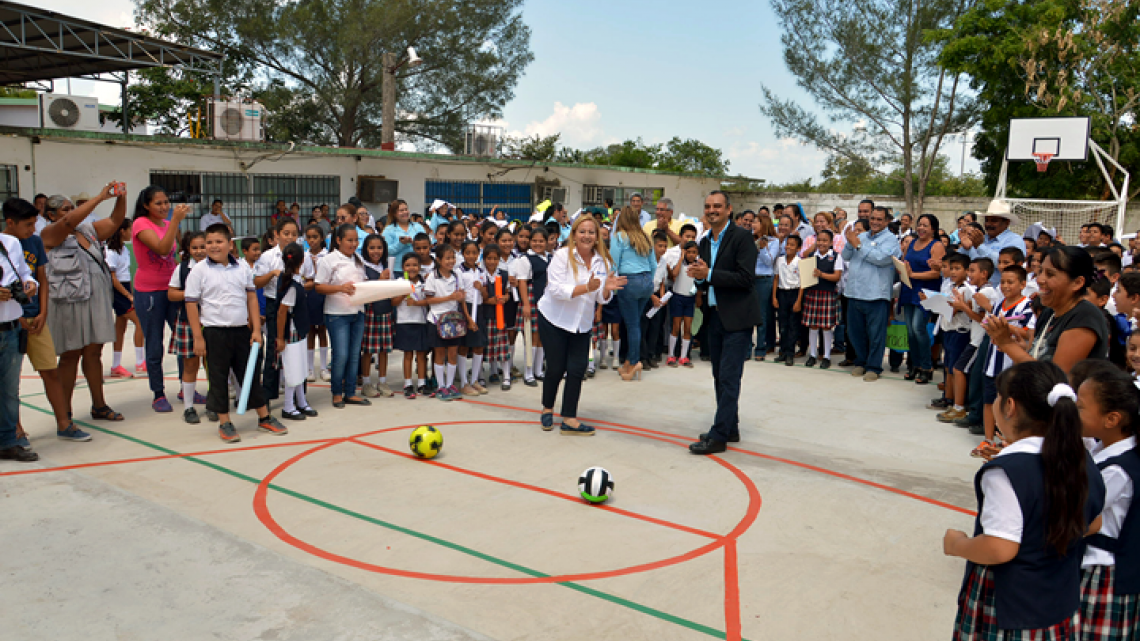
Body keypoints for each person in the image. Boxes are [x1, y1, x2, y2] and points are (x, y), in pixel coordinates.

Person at [944, 361, 1105, 641]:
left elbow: (999, 548)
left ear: (1010, 407)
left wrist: (958, 545)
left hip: (1011, 608)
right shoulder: (1080, 457)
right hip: (1059, 601)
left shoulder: (1007, 471)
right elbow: (1094, 523)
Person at [185, 224, 287, 441]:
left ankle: (264, 417)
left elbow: (251, 298)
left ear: (230, 244)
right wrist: (198, 336)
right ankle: (225, 422)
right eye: (209, 243)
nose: (213, 246)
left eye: (218, 241)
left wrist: (257, 330)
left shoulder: (242, 268)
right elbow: (191, 304)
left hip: (241, 331)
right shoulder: (199, 271)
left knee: (249, 375)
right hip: (214, 332)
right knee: (219, 378)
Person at [42, 185, 128, 426]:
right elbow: (68, 223)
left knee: (94, 352)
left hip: (96, 296)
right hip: (68, 301)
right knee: (70, 355)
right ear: (51, 215)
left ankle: (99, 405)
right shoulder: (49, 233)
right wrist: (100, 197)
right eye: (65, 209)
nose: (71, 213)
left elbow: (115, 221)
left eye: (71, 208)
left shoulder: (88, 230)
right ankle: (65, 412)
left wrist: (121, 197)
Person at [1070, 360, 1140, 641]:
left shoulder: (1116, 469)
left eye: (1080, 408)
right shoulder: (1104, 450)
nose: (1073, 413)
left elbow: (1079, 517)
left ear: (1112, 419)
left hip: (1104, 574)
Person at [688, 191, 761, 455]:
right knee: (720, 375)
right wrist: (698, 276)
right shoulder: (705, 240)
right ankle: (730, 427)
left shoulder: (742, 238)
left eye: (717, 206)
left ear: (729, 209)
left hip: (737, 318)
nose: (712, 210)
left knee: (729, 377)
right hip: (715, 316)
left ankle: (718, 436)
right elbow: (708, 279)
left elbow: (745, 278)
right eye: (708, 206)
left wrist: (709, 273)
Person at [536, 215, 624, 436]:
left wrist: (607, 289)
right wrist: (587, 287)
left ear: (597, 237)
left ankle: (569, 418)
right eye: (582, 231)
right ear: (574, 234)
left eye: (591, 232)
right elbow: (556, 290)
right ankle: (547, 408)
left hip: (581, 324)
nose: (587, 236)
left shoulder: (602, 262)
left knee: (577, 369)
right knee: (556, 368)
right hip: (554, 319)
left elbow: (602, 299)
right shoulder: (561, 256)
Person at [4, 198, 72, 450]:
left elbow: (40, 278)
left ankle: (64, 423)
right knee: (10, 382)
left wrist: (43, 312)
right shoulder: (4, 246)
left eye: (34, 223)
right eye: (28, 224)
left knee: (50, 371)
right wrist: (16, 316)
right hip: (12, 322)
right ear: (10, 223)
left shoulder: (34, 242)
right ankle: (17, 430)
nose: (33, 229)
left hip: (37, 319)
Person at [986, 246, 1109, 374]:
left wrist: (1007, 344)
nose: (1039, 280)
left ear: (1077, 283)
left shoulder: (1085, 317)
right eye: (1040, 272)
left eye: (1050, 274)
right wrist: (1021, 349)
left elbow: (1056, 377)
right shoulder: (1049, 312)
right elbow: (1037, 363)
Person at [132, 186, 189, 412]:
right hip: (149, 292)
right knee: (155, 343)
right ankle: (158, 393)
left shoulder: (168, 224)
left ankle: (188, 387)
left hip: (171, 289)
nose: (165, 207)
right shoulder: (140, 224)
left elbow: (175, 256)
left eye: (167, 202)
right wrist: (175, 221)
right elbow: (163, 250)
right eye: (159, 203)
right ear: (146, 205)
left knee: (184, 340)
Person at [971, 265, 1035, 460]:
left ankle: (1008, 440)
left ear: (1023, 284)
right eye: (1003, 282)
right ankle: (988, 439)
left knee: (1009, 402)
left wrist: (1008, 328)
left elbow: (1028, 333)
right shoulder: (999, 304)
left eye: (1011, 282)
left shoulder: (1027, 307)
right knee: (989, 400)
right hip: (993, 360)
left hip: (1011, 362)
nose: (1005, 286)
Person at [841, 206, 902, 381]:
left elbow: (882, 259)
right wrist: (849, 240)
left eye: (879, 219)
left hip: (876, 294)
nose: (874, 222)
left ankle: (874, 367)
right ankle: (861, 362)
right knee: (855, 332)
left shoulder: (891, 240)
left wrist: (858, 245)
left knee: (876, 334)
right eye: (872, 218)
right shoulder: (860, 236)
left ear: (886, 221)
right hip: (854, 292)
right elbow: (845, 255)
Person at [315, 223, 371, 408]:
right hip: (337, 314)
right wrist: (340, 288)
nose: (354, 243)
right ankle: (337, 392)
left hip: (358, 312)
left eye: (356, 240)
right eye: (350, 240)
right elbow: (319, 286)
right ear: (338, 240)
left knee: (355, 354)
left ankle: (350, 392)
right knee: (341, 355)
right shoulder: (329, 260)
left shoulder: (358, 259)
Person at [0, 199, 38, 461]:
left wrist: (30, 284)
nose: (33, 229)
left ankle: (8, 441)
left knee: (9, 390)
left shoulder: (11, 244)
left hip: (12, 328)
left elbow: (26, 274)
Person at [611, 205, 657, 381]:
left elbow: (614, 263)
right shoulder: (645, 237)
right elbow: (653, 264)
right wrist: (649, 282)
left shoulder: (619, 237)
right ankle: (630, 361)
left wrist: (613, 285)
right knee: (635, 323)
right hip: (646, 281)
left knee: (632, 325)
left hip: (629, 281)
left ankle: (634, 362)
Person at [273, 242, 318, 421]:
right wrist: (280, 337)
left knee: (299, 367)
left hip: (298, 331)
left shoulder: (293, 280)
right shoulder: (291, 285)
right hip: (291, 333)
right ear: (302, 262)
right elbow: (282, 312)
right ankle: (288, 406)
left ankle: (301, 401)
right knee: (292, 370)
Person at [167, 231, 208, 423]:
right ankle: (189, 407)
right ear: (188, 250)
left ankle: (215, 404)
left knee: (214, 365)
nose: (199, 251)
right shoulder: (182, 269)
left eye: (203, 246)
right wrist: (189, 294)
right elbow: (171, 294)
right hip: (188, 322)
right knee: (190, 364)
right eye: (195, 247)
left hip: (212, 321)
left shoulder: (217, 268)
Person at [899, 214, 945, 384]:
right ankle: (915, 365)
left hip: (925, 292)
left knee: (919, 328)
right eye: (919, 225)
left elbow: (936, 272)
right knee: (910, 330)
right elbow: (906, 263)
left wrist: (913, 275)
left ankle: (927, 367)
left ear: (933, 229)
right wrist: (903, 270)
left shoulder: (937, 245)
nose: (921, 228)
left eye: (925, 225)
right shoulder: (911, 243)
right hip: (908, 289)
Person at [423, 244, 471, 401]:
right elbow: (429, 299)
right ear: (438, 259)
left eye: (453, 257)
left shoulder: (457, 275)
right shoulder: (432, 277)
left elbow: (461, 297)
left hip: (453, 320)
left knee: (452, 353)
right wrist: (449, 297)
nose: (451, 261)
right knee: (439, 353)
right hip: (437, 320)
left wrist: (462, 302)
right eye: (447, 258)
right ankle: (440, 386)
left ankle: (450, 384)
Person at [104, 218, 145, 379]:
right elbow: (113, 278)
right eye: (129, 229)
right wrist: (127, 295)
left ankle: (116, 365)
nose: (131, 232)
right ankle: (141, 361)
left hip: (125, 287)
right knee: (140, 321)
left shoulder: (124, 249)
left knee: (120, 327)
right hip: (118, 290)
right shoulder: (110, 252)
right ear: (122, 231)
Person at [959, 200, 1028, 286]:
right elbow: (959, 263)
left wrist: (980, 247)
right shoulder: (980, 239)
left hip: (1001, 293)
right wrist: (965, 248)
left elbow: (1008, 266)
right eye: (987, 220)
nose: (988, 224)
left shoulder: (1015, 240)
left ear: (1007, 222)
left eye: (994, 221)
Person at [801, 229, 844, 369]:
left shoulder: (836, 257)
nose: (821, 243)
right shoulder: (812, 256)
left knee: (826, 326)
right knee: (812, 325)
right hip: (813, 293)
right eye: (819, 240)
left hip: (828, 294)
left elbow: (836, 276)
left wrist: (821, 274)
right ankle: (812, 354)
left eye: (825, 240)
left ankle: (826, 356)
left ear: (831, 242)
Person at [359, 234, 394, 398]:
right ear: (365, 249)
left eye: (379, 248)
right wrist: (380, 280)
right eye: (372, 247)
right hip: (370, 312)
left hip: (385, 310)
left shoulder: (387, 266)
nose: (376, 251)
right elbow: (364, 291)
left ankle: (383, 381)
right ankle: (366, 382)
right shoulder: (362, 267)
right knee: (368, 349)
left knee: (384, 349)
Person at [515, 228, 550, 386]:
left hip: (546, 301)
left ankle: (538, 371)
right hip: (531, 298)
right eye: (534, 241)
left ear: (547, 242)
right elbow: (522, 282)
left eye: (541, 241)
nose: (538, 244)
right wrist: (526, 305)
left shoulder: (550, 257)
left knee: (542, 337)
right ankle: (528, 372)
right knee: (531, 337)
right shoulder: (526, 259)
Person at [392, 253, 429, 398]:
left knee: (421, 354)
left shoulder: (424, 283)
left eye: (414, 265)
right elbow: (393, 302)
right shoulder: (400, 282)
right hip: (404, 321)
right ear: (402, 268)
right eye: (407, 265)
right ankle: (407, 383)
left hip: (420, 321)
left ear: (420, 267)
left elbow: (428, 301)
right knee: (408, 354)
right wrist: (403, 293)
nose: (411, 268)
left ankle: (421, 383)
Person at [665, 240, 701, 367]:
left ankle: (684, 356)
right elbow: (674, 274)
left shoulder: (698, 266)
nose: (691, 255)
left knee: (687, 327)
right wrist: (681, 257)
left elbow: (699, 283)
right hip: (678, 297)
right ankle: (670, 355)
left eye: (694, 252)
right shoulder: (680, 264)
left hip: (689, 299)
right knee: (675, 327)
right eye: (689, 252)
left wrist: (698, 298)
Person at [481, 244, 512, 390]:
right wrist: (489, 301)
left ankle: (506, 376)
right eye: (489, 258)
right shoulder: (480, 275)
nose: (492, 261)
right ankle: (481, 376)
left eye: (495, 258)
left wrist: (505, 298)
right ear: (484, 259)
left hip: (500, 316)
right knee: (483, 348)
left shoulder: (503, 274)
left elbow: (507, 292)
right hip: (485, 316)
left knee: (502, 348)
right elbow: (478, 297)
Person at [302, 224, 330, 381]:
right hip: (309, 294)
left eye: (315, 237)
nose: (312, 241)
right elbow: (305, 276)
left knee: (322, 329)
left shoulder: (327, 256)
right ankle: (310, 368)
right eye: (309, 237)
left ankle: (324, 368)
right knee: (310, 330)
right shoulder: (304, 256)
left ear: (322, 238)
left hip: (323, 293)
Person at [751, 216, 779, 362]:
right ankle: (746, 346)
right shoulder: (748, 238)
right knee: (747, 314)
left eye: (756, 222)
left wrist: (762, 248)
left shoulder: (774, 241)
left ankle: (761, 347)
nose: (752, 224)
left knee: (761, 315)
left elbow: (769, 261)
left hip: (764, 280)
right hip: (749, 279)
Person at [773, 234, 804, 365]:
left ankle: (790, 352)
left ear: (798, 248)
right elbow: (776, 278)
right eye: (787, 244)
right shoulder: (780, 260)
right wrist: (774, 297)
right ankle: (783, 351)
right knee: (782, 324)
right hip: (782, 293)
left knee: (793, 324)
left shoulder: (800, 262)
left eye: (792, 245)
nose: (788, 247)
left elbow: (803, 283)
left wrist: (798, 301)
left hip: (794, 293)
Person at [382, 199, 426, 274]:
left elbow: (425, 244)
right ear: (394, 214)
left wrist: (414, 243)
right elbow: (386, 251)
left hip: (416, 268)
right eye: (401, 210)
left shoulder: (418, 227)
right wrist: (401, 244)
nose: (405, 212)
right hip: (397, 269)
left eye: (406, 209)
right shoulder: (389, 230)